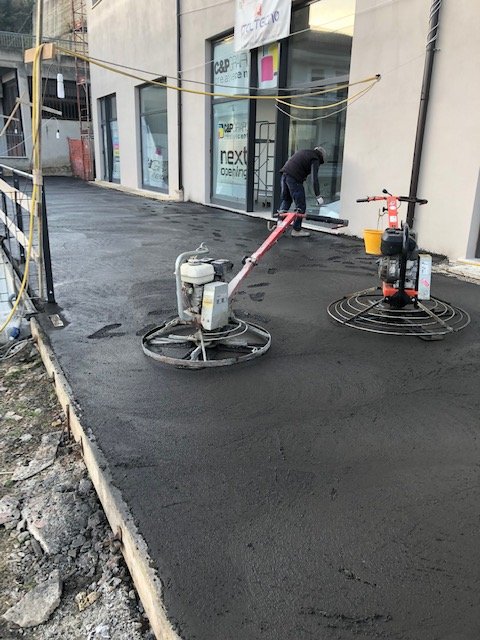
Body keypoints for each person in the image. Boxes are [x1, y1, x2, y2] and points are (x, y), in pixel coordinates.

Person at [278, 146, 326, 237]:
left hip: (284, 175)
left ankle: (280, 224)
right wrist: (318, 195)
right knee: (300, 205)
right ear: (321, 156)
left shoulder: (305, 152)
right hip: (294, 178)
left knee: (287, 200)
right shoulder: (315, 158)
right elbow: (314, 179)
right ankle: (296, 230)